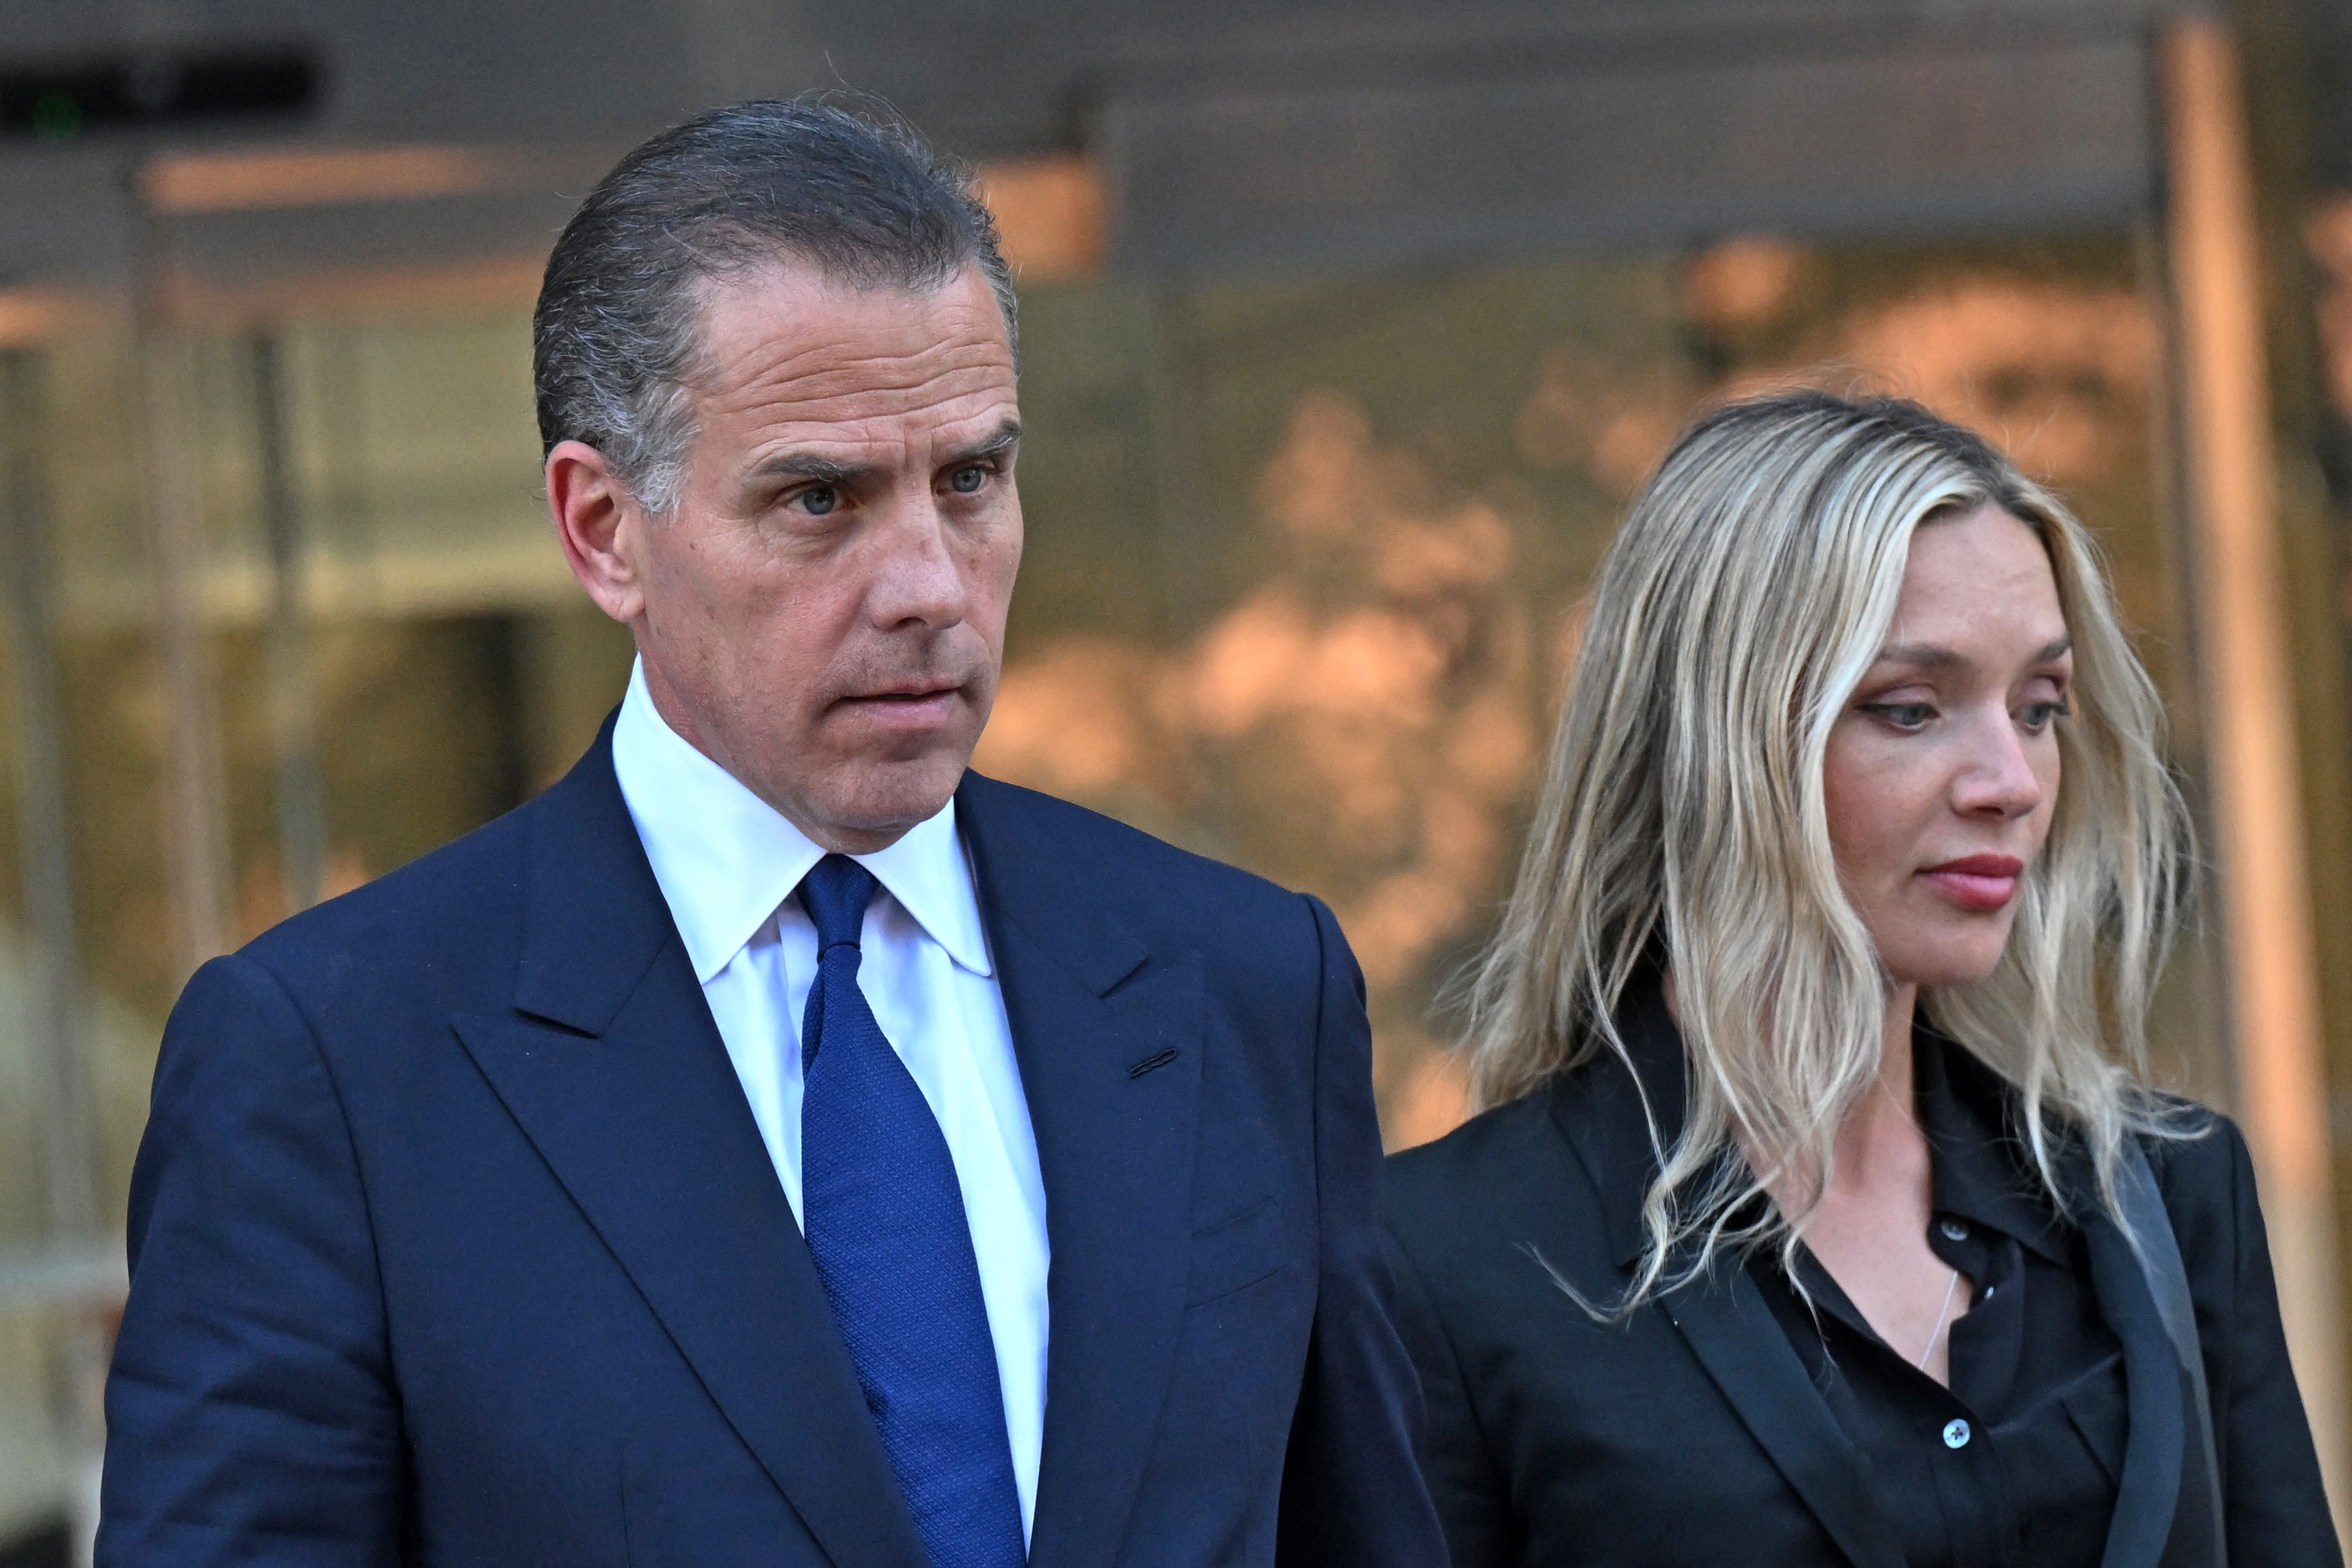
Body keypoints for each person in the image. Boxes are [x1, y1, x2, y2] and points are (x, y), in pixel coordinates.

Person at [98, 98, 1445, 1568]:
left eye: (972, 480)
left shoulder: (1248, 981)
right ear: (604, 529)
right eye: (821, 498)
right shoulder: (336, 1066)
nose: (928, 582)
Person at [1384, 389, 2341, 1567]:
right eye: (1910, 709)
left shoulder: (2167, 1199)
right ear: (1715, 742)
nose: (2012, 780)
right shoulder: (1436, 1264)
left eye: (2039, 708)